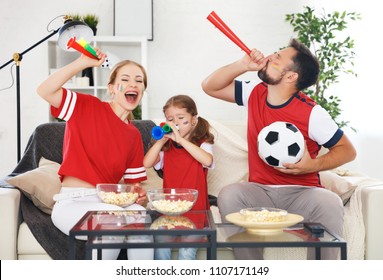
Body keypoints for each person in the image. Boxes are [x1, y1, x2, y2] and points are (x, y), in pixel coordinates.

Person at [201, 38, 356, 260]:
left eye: (278, 58)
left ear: (291, 76)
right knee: (230, 194)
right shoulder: (254, 91)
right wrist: (242, 65)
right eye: (274, 53)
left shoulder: (313, 113)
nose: (270, 57)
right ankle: (251, 270)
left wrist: (312, 165)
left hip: (302, 193)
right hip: (260, 191)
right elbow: (209, 86)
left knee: (329, 201)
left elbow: (347, 151)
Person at [36, 49, 153, 260]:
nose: (133, 84)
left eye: (139, 81)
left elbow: (135, 188)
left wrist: (140, 198)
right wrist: (82, 63)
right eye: (125, 79)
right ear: (111, 89)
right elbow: (45, 90)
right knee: (113, 219)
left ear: (143, 90)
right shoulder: (85, 106)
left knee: (141, 215)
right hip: (72, 204)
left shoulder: (134, 135)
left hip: (107, 202)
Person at [143, 94, 215, 260]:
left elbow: (207, 160)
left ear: (194, 120)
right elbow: (147, 162)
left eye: (180, 118)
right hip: (169, 216)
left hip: (196, 215)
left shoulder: (203, 143)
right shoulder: (166, 148)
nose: (175, 122)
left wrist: (181, 140)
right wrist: (160, 141)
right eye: (170, 119)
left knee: (186, 252)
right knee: (160, 248)